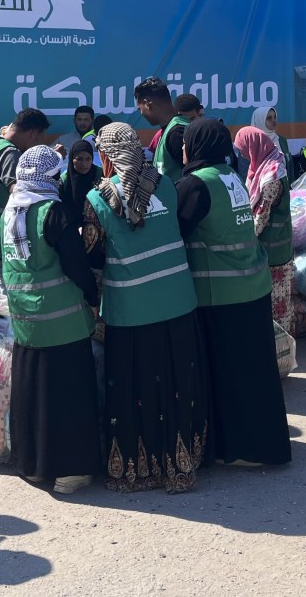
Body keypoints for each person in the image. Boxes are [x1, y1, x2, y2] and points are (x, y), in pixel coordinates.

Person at [81, 123, 208, 493]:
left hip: (131, 309)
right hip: (178, 301)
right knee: (176, 383)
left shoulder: (99, 200)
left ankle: (136, 471)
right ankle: (181, 466)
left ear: (106, 156)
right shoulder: (165, 184)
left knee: (133, 387)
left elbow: (91, 256)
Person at [178, 119, 290, 466]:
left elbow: (174, 231)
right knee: (255, 372)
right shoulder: (230, 175)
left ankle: (236, 450)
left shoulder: (195, 184)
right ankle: (266, 446)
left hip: (219, 292)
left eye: (186, 143)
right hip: (251, 284)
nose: (182, 149)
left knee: (226, 375)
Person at [2, 146, 100, 494]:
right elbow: (75, 265)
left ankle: (32, 465)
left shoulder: (11, 209)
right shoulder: (51, 212)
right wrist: (93, 296)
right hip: (62, 321)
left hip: (27, 319)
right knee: (67, 395)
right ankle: (69, 470)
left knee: (33, 392)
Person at [0, 108, 51, 289]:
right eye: (39, 139)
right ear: (33, 133)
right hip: (1, 237)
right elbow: (20, 194)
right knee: (10, 287)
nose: (36, 145)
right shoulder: (10, 155)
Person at [233, 126, 296, 337]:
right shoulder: (267, 165)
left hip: (273, 251)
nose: (242, 154)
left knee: (276, 306)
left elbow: (261, 216)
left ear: (253, 146)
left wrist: (243, 240)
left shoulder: (271, 175)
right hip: (278, 245)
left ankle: (281, 350)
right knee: (282, 302)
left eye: (243, 149)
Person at [134, 77, 188, 181]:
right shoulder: (167, 130)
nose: (141, 113)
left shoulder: (176, 132)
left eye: (140, 109)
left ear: (147, 104)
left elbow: (192, 177)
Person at [59, 139, 100, 227]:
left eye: (88, 159)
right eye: (79, 159)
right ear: (71, 159)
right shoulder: (64, 180)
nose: (84, 164)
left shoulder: (100, 175)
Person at [251, 106, 291, 177]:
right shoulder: (252, 143)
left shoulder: (281, 140)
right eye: (269, 118)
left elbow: (289, 166)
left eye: (275, 117)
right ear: (259, 120)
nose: (274, 120)